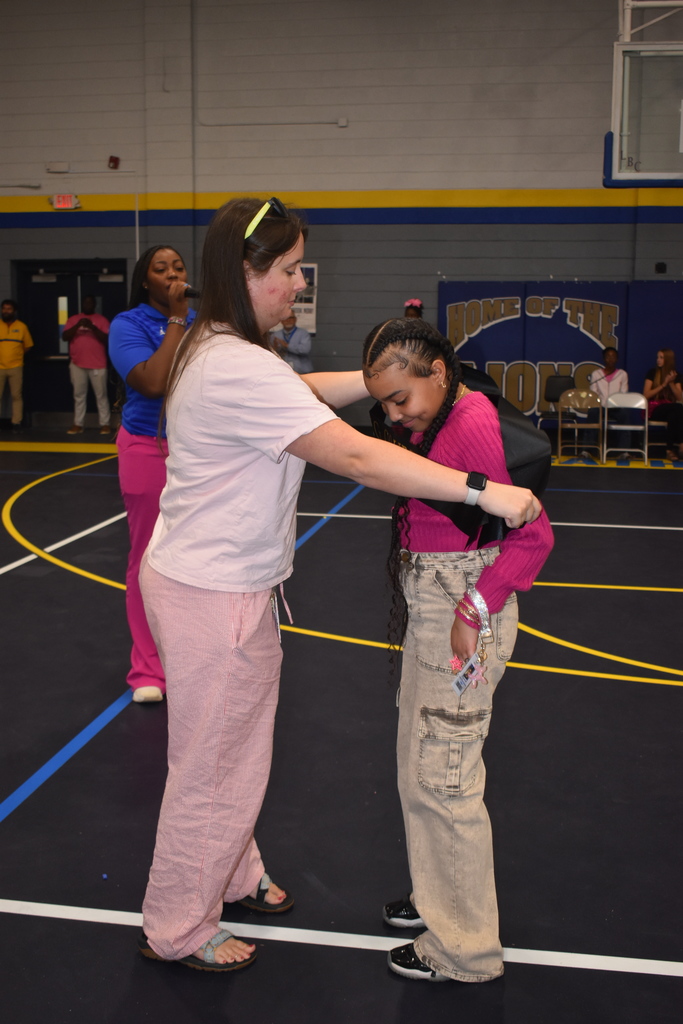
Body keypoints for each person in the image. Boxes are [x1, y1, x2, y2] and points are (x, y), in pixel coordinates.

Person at [135, 196, 542, 973]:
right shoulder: (235, 364)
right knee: (215, 763)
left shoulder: (214, 345)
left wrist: (371, 376)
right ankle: (177, 924)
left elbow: (306, 392)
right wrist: (481, 490)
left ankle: (234, 871)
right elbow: (354, 457)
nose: (297, 285)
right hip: (213, 593)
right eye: (287, 272)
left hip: (208, 581)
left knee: (231, 750)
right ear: (247, 273)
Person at [361, 317, 554, 984]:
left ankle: (463, 951)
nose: (392, 415)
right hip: (434, 600)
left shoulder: (467, 424)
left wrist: (473, 610)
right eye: (381, 403)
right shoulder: (441, 414)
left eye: (399, 400)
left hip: (461, 606)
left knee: (442, 775)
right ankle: (437, 897)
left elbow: (533, 536)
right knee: (417, 760)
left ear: (437, 374)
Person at [108, 246, 196, 703]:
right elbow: (153, 381)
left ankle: (189, 656)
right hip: (146, 447)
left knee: (197, 557)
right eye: (161, 269)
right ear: (146, 280)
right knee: (147, 559)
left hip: (197, 451)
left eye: (178, 268)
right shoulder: (129, 325)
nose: (172, 275)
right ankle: (147, 669)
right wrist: (178, 320)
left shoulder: (203, 321)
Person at [62, 295, 111, 435]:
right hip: (77, 363)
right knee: (79, 395)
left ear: (94, 304)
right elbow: (65, 337)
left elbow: (107, 339)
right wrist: (78, 325)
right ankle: (78, 424)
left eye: (90, 302)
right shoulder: (73, 319)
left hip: (98, 364)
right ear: (82, 304)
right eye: (86, 302)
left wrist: (92, 327)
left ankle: (105, 424)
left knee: (101, 395)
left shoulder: (102, 320)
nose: (88, 304)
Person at [587, 345, 630, 452]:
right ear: (603, 359)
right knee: (592, 412)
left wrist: (615, 403)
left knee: (625, 414)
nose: (610, 359)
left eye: (613, 357)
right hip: (600, 406)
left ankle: (624, 451)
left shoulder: (622, 374)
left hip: (616, 407)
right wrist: (601, 403)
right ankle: (587, 450)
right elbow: (593, 393)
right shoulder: (596, 374)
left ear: (617, 359)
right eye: (608, 357)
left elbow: (624, 393)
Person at [643, 348, 683, 460]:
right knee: (678, 409)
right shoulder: (652, 373)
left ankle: (669, 450)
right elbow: (646, 395)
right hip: (655, 408)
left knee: (675, 414)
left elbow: (679, 397)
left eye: (661, 357)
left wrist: (671, 382)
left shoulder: (677, 375)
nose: (658, 360)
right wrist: (664, 384)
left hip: (671, 408)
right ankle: (681, 444)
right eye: (657, 357)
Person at [0, 299, 33, 432]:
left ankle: (16, 422)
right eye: (4, 308)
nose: (6, 311)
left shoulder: (21, 327)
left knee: (16, 396)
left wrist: (16, 355)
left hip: (16, 366)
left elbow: (27, 346)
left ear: (14, 311)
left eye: (9, 309)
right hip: (0, 367)